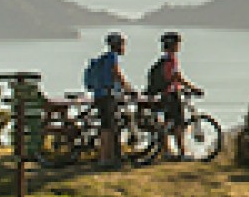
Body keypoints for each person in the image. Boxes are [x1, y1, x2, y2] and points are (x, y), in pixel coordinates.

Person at [146, 31, 203, 160]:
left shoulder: (163, 59)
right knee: (179, 124)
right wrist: (193, 88)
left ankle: (167, 152)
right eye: (178, 43)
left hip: (164, 94)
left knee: (167, 123)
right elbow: (177, 77)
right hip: (172, 94)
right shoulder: (172, 59)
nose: (179, 46)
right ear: (173, 45)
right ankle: (183, 152)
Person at [87, 31, 133, 168]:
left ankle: (108, 157)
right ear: (117, 45)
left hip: (101, 95)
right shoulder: (112, 57)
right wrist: (129, 88)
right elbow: (117, 73)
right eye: (123, 45)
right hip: (107, 96)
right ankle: (105, 159)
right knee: (108, 128)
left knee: (108, 126)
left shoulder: (104, 58)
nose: (124, 48)